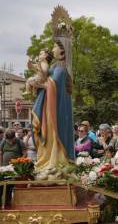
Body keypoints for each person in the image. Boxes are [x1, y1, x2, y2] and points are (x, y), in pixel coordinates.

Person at [32, 39, 74, 171]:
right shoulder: (55, 67)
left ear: (62, 50)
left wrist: (37, 84)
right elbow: (46, 79)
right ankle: (48, 160)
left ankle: (56, 161)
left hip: (54, 112)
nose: (53, 49)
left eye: (55, 47)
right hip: (48, 108)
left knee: (52, 136)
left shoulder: (61, 69)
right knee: (47, 135)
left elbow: (52, 86)